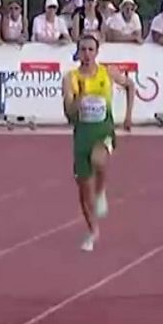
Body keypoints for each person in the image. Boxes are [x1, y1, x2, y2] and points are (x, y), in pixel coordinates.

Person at [63, 34, 137, 252]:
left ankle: (102, 190)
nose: (86, 55)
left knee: (99, 158)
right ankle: (92, 231)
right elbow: (68, 113)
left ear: (96, 52)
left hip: (103, 130)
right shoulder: (71, 78)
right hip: (82, 134)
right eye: (83, 50)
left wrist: (128, 116)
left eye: (90, 50)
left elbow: (130, 86)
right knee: (83, 191)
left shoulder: (107, 72)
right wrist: (79, 98)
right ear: (78, 52)